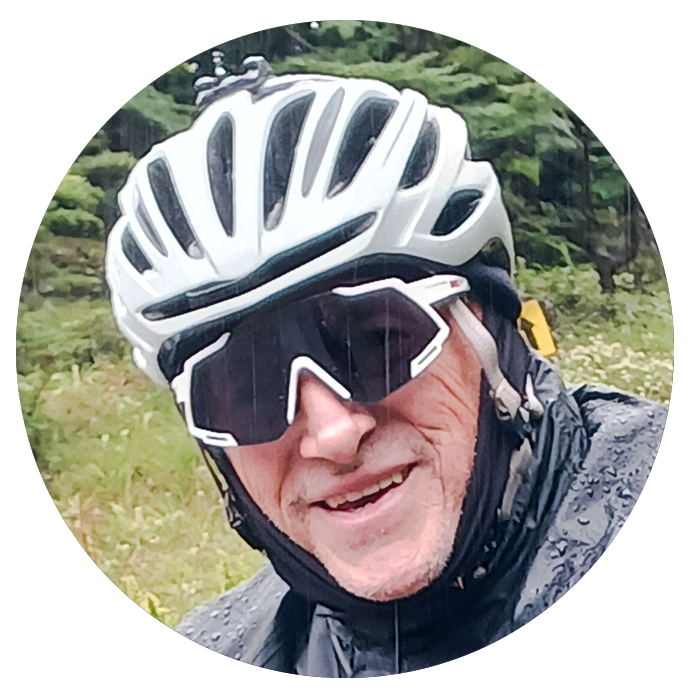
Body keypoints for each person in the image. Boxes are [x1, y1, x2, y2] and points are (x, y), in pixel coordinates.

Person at [105, 61, 674, 678]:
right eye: (246, 392)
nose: (333, 434)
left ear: (488, 329)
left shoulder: (665, 566)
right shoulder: (207, 667)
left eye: (378, 341)